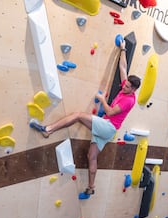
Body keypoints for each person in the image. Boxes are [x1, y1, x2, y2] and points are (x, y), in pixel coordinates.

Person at [30, 40, 140, 199]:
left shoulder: (128, 100)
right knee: (92, 156)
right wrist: (123, 49)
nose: (124, 87)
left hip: (108, 127)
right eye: (125, 84)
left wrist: (102, 99)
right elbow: (123, 67)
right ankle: (91, 187)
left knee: (78, 116)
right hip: (107, 129)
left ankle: (48, 130)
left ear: (134, 90)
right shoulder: (126, 86)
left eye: (128, 87)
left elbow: (109, 110)